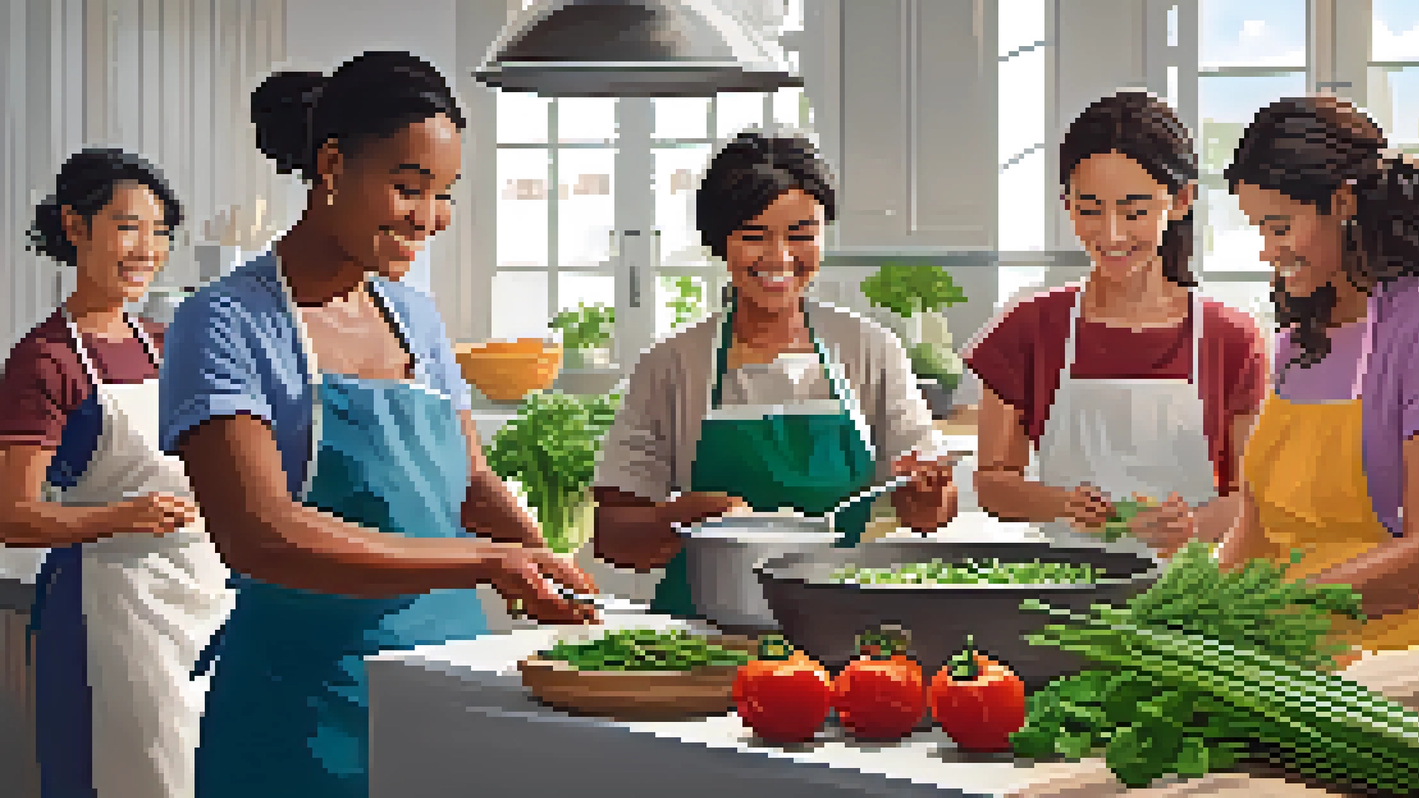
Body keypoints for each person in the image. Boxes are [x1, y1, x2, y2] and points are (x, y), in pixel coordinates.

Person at [157, 51, 597, 798]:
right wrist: (487, 563)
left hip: (453, 689)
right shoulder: (225, 323)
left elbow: (471, 482)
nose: (429, 218)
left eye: (445, 194)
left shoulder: (415, 319)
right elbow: (259, 532)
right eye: (408, 187)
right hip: (303, 712)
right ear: (331, 165)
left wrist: (549, 570)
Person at [591, 131, 957, 616]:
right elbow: (613, 536)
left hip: (838, 627)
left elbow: (926, 513)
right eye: (753, 236)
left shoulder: (870, 350)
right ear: (719, 242)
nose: (780, 257)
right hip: (701, 632)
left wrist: (930, 490)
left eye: (801, 235)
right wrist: (676, 519)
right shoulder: (672, 364)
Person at [1218, 95, 1419, 653]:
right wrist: (1191, 608)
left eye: (1280, 226)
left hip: (1387, 663)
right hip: (1275, 651)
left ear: (1342, 203)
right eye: (1259, 229)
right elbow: (1254, 531)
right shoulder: (1298, 342)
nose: (1267, 251)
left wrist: (1279, 605)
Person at [0, 148, 234, 798]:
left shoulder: (167, 342)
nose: (148, 249)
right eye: (128, 227)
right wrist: (121, 517)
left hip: (204, 598)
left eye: (160, 232)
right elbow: (11, 516)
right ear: (75, 227)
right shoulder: (45, 361)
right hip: (110, 610)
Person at [964, 91, 1269, 557]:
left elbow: (1252, 501)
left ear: (1181, 200)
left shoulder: (1232, 338)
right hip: (1063, 590)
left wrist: (1193, 524)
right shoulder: (1030, 327)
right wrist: (1060, 504)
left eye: (1134, 210)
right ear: (1066, 204)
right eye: (1089, 209)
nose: (1111, 234)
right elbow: (992, 484)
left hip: (1190, 596)